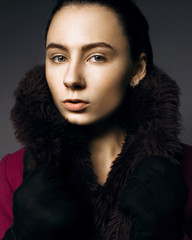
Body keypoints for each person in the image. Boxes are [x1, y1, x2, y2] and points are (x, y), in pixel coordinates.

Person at [0, 0, 190, 239]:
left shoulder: (186, 172)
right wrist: (20, 235)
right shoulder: (12, 173)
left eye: (97, 57)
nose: (71, 79)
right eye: (59, 57)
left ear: (137, 69)